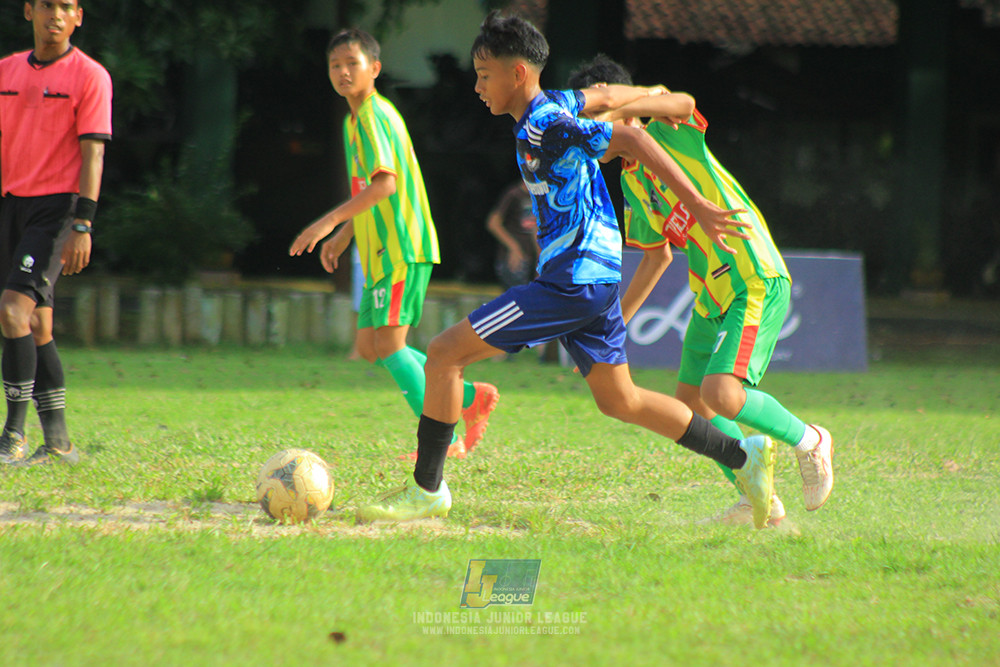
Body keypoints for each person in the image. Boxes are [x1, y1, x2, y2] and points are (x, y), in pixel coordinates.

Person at [356, 11, 779, 529]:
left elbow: (634, 142)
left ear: (517, 75)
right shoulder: (555, 104)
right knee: (621, 400)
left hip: (572, 281)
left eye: (484, 74)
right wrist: (660, 96)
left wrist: (698, 204)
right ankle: (743, 457)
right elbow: (599, 98)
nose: (476, 86)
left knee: (443, 355)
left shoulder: (545, 125)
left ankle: (427, 490)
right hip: (595, 282)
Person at [566, 54, 834, 526]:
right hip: (710, 298)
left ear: (615, 101)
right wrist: (613, 324)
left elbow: (685, 100)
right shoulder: (630, 182)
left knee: (723, 395)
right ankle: (761, 501)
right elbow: (656, 257)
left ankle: (811, 440)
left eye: (589, 117)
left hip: (751, 275)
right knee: (691, 402)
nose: (589, 135)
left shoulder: (666, 127)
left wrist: (618, 107)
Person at [289, 28, 498, 459]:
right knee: (370, 347)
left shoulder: (372, 115)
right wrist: (347, 234)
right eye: (336, 65)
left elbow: (385, 185)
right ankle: (469, 397)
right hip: (379, 249)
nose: (344, 72)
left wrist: (328, 223)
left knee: (389, 344)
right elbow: (370, 188)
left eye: (353, 63)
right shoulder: (354, 121)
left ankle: (444, 443)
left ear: (375, 69)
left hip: (401, 245)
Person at [0, 0, 112, 467]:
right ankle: (60, 443)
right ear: (29, 11)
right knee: (38, 324)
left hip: (57, 210)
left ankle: (12, 436)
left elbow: (93, 157)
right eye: (47, 5)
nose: (56, 14)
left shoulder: (90, 76)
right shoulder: (5, 71)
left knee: (11, 312)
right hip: (10, 206)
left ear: (78, 16)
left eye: (66, 6)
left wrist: (83, 224)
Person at [486, 180, 538, 290]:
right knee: (517, 297)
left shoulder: (537, 198)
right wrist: (514, 248)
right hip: (513, 260)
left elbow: (535, 230)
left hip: (529, 258)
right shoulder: (514, 195)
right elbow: (493, 223)